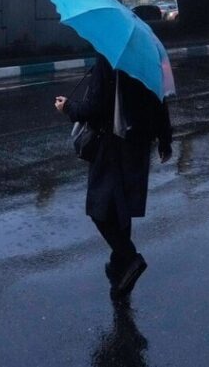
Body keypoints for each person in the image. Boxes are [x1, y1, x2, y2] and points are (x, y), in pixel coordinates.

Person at [54, 55, 172, 300]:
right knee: (121, 208)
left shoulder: (108, 60)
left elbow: (94, 108)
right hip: (138, 146)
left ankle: (129, 259)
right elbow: (159, 99)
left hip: (112, 147)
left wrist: (67, 107)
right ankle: (119, 271)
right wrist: (165, 139)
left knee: (100, 209)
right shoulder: (147, 60)